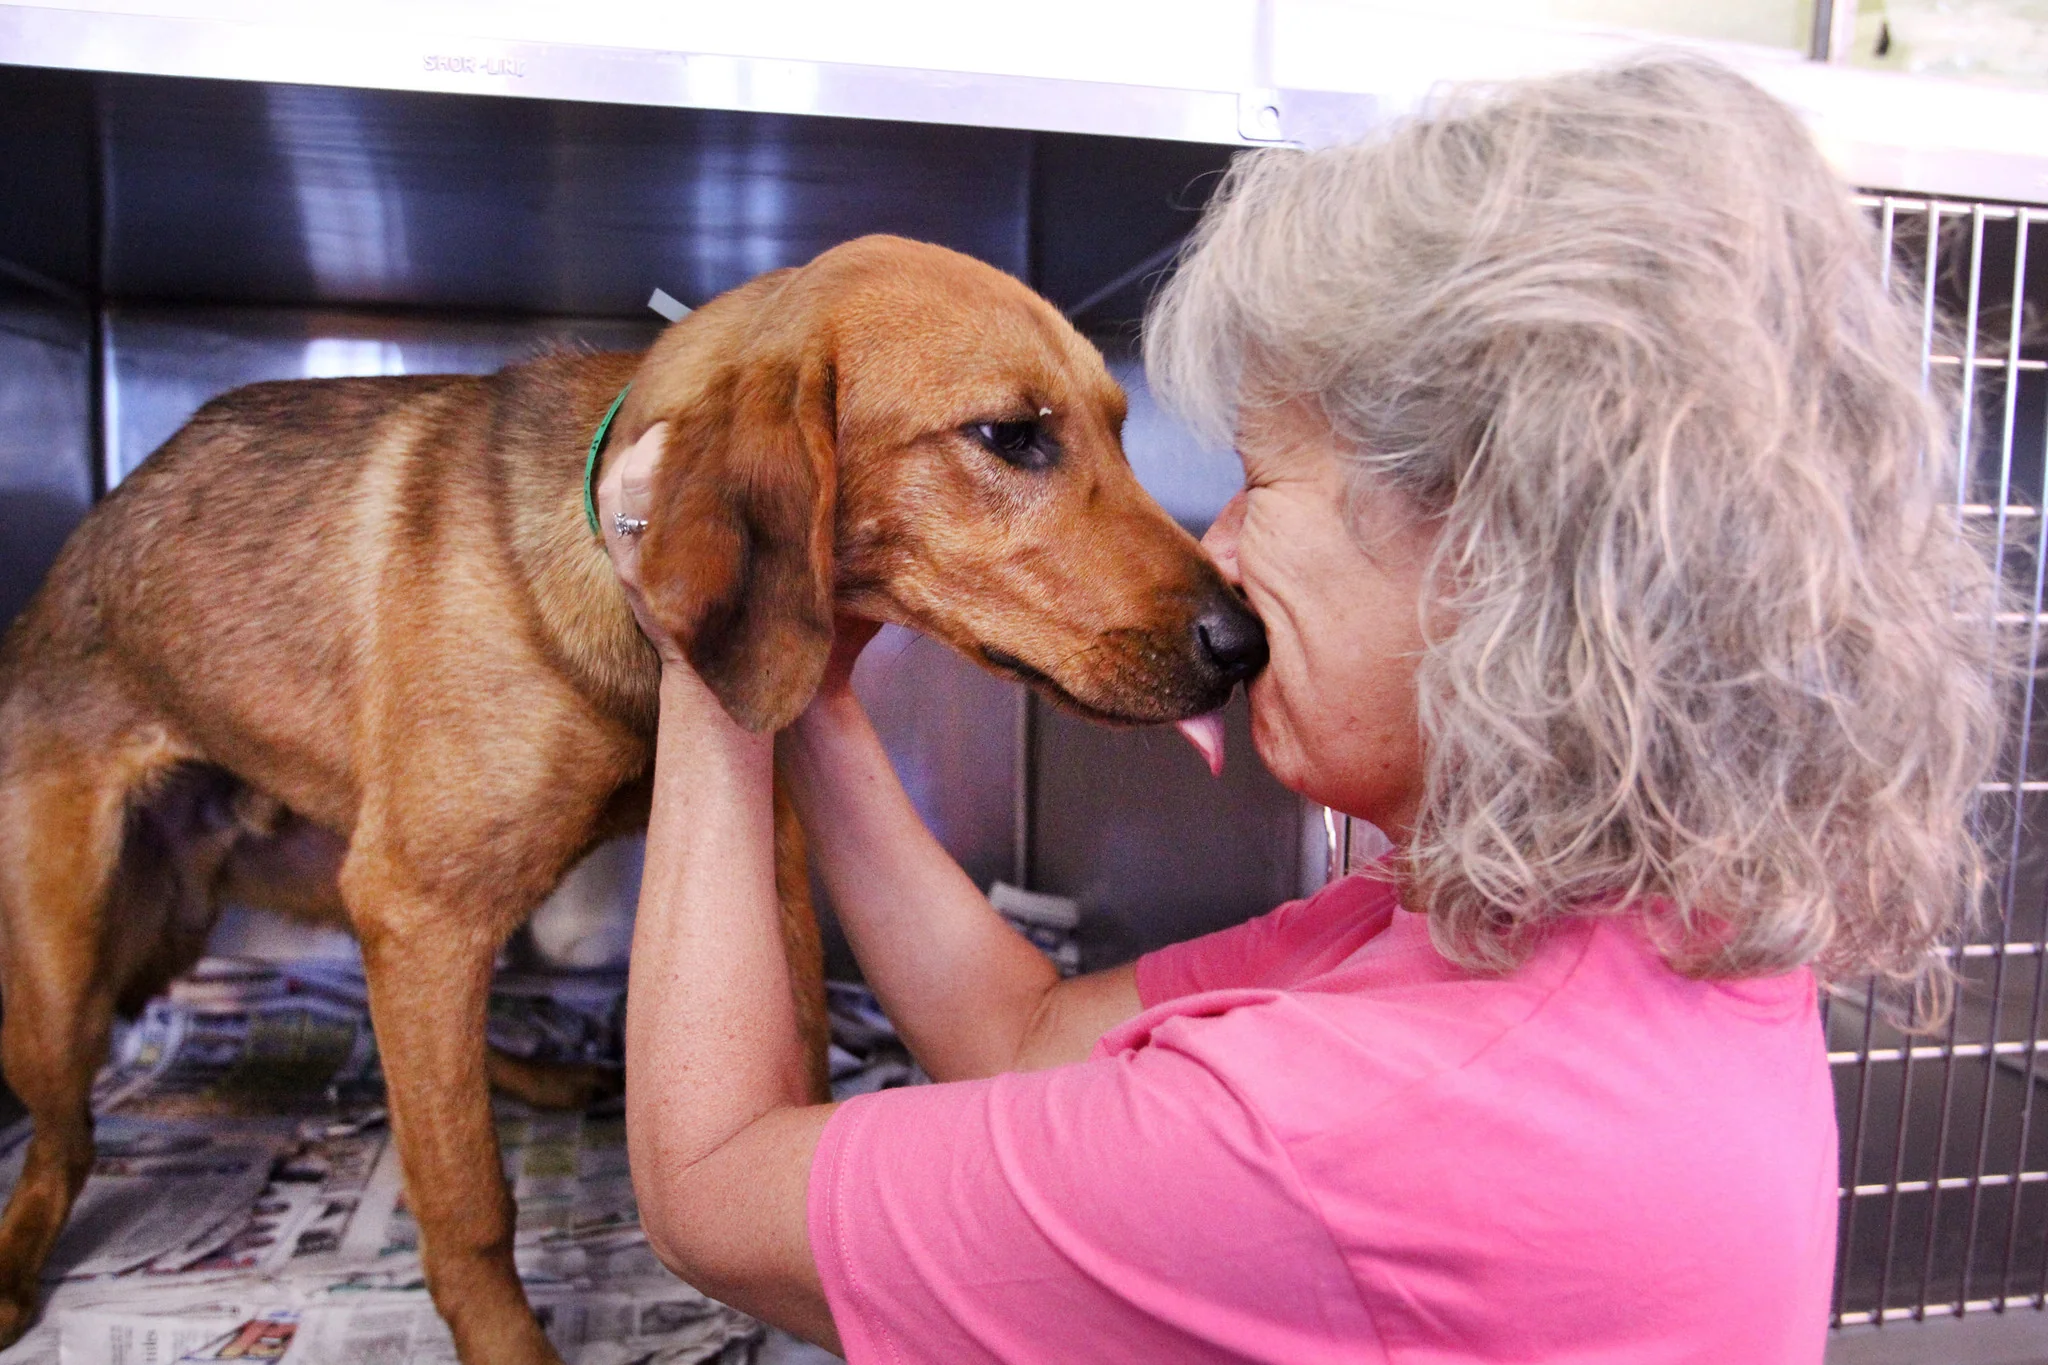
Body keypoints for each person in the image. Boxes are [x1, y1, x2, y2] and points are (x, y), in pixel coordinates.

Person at [601, 56, 2003, 1363]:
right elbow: (1017, 1039)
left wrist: (706, 631)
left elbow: (716, 1192)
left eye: (1266, 481)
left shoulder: (1356, 1134)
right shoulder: (1583, 932)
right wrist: (811, 677)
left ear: (1496, 551)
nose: (1215, 557)